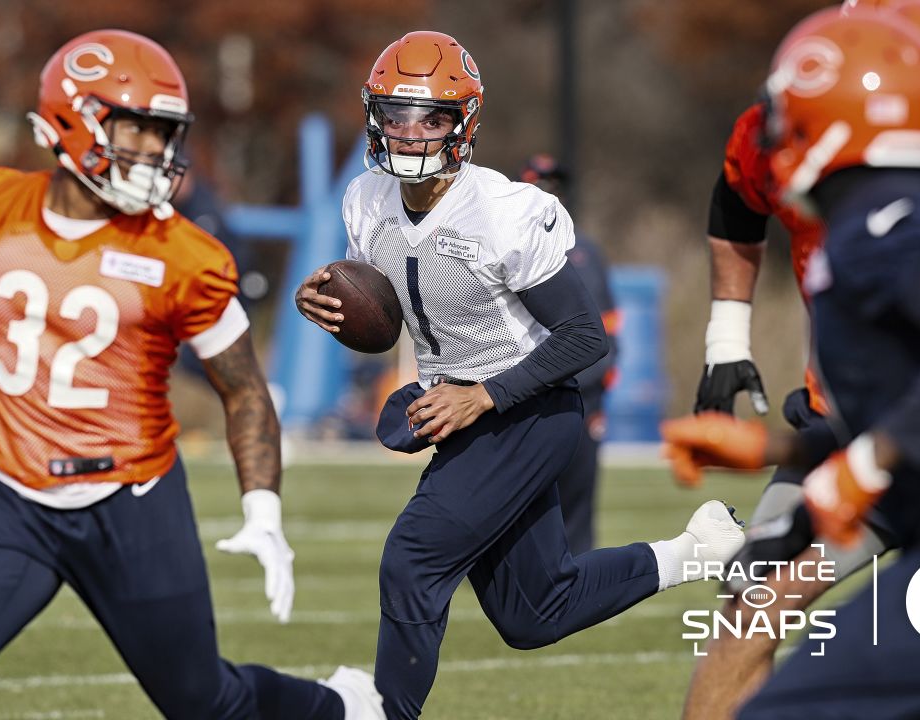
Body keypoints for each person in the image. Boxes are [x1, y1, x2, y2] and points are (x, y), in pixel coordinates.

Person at [0, 29, 382, 720]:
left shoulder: (184, 254)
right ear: (68, 124)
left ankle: (341, 709)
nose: (157, 154)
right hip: (8, 499)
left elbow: (243, 387)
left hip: (131, 502)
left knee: (204, 702)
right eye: (137, 132)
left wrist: (264, 508)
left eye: (165, 135)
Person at [295, 30, 746, 719]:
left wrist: (484, 394)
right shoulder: (365, 202)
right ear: (374, 116)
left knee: (413, 557)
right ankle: (695, 550)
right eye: (397, 114)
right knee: (534, 612)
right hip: (460, 409)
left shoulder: (502, 214)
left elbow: (584, 336)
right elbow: (385, 318)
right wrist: (325, 305)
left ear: (465, 123)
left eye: (433, 117)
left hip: (528, 411)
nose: (412, 133)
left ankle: (384, 711)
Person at [666, 8, 920, 717]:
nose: (774, 137)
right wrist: (787, 446)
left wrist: (861, 466)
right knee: (754, 604)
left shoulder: (894, 213)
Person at [519, 153, 620, 555]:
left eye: (554, 184)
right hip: (524, 387)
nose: (548, 191)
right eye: (539, 181)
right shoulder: (505, 240)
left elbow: (610, 324)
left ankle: (578, 567)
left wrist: (604, 382)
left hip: (583, 390)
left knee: (578, 487)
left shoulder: (587, 252)